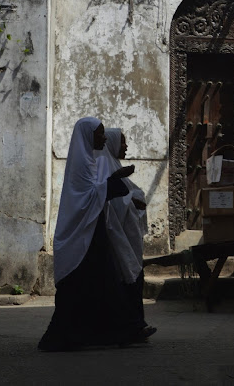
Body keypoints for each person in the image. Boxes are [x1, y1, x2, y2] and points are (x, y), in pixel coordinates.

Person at [38, 117, 155, 352]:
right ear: (87, 137)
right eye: (99, 134)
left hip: (93, 232)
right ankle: (64, 337)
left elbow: (96, 195)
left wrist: (114, 181)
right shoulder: (82, 166)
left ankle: (122, 331)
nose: (102, 138)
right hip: (82, 237)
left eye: (103, 134)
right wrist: (114, 180)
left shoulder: (90, 163)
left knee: (103, 287)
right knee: (89, 288)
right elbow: (86, 198)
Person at [94, 128, 150, 329]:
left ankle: (136, 324)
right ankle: (131, 326)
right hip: (117, 236)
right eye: (123, 142)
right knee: (127, 277)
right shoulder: (103, 166)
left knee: (133, 276)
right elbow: (109, 202)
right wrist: (132, 200)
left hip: (127, 234)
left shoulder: (113, 165)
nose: (125, 146)